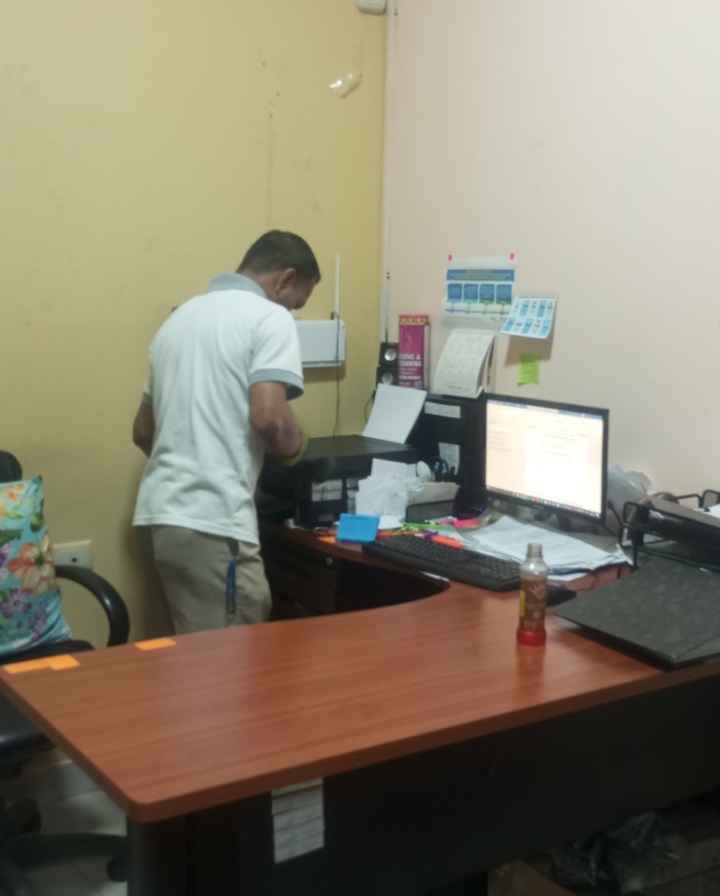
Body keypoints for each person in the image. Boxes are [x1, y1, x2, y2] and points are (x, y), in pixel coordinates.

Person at [132, 230, 320, 634]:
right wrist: (295, 449)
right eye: (297, 303)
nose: (293, 312)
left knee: (190, 655)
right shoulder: (269, 317)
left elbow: (143, 430)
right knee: (233, 659)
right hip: (216, 521)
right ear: (286, 279)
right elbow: (270, 419)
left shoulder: (178, 320)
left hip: (162, 516)